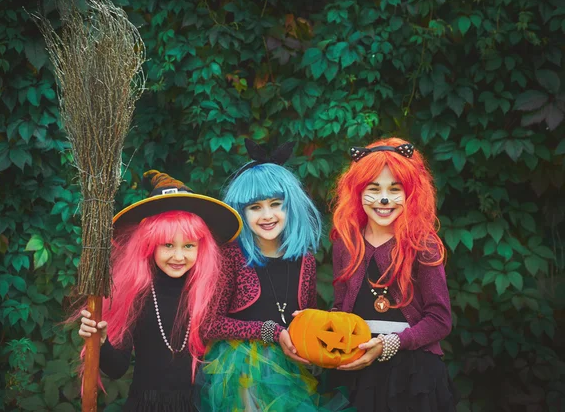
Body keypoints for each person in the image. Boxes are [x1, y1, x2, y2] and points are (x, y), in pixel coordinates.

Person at [195, 139, 345, 411]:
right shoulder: (232, 256)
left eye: (276, 204)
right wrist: (270, 331)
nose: (267, 215)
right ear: (242, 212)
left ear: (291, 206)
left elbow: (305, 317)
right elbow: (209, 324)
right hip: (242, 369)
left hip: (291, 369)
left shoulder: (304, 261)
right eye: (255, 207)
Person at [77, 170, 242, 411]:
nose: (178, 256)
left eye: (188, 245)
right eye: (167, 245)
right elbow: (117, 368)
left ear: (201, 247)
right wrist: (101, 341)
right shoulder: (138, 294)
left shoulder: (207, 293)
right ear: (149, 244)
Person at [328, 137, 458, 411]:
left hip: (411, 373)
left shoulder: (423, 244)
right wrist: (320, 325)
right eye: (373, 189)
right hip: (356, 369)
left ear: (411, 192)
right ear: (357, 192)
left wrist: (391, 344)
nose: (384, 199)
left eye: (394, 189)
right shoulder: (345, 243)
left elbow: (440, 320)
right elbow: (341, 308)